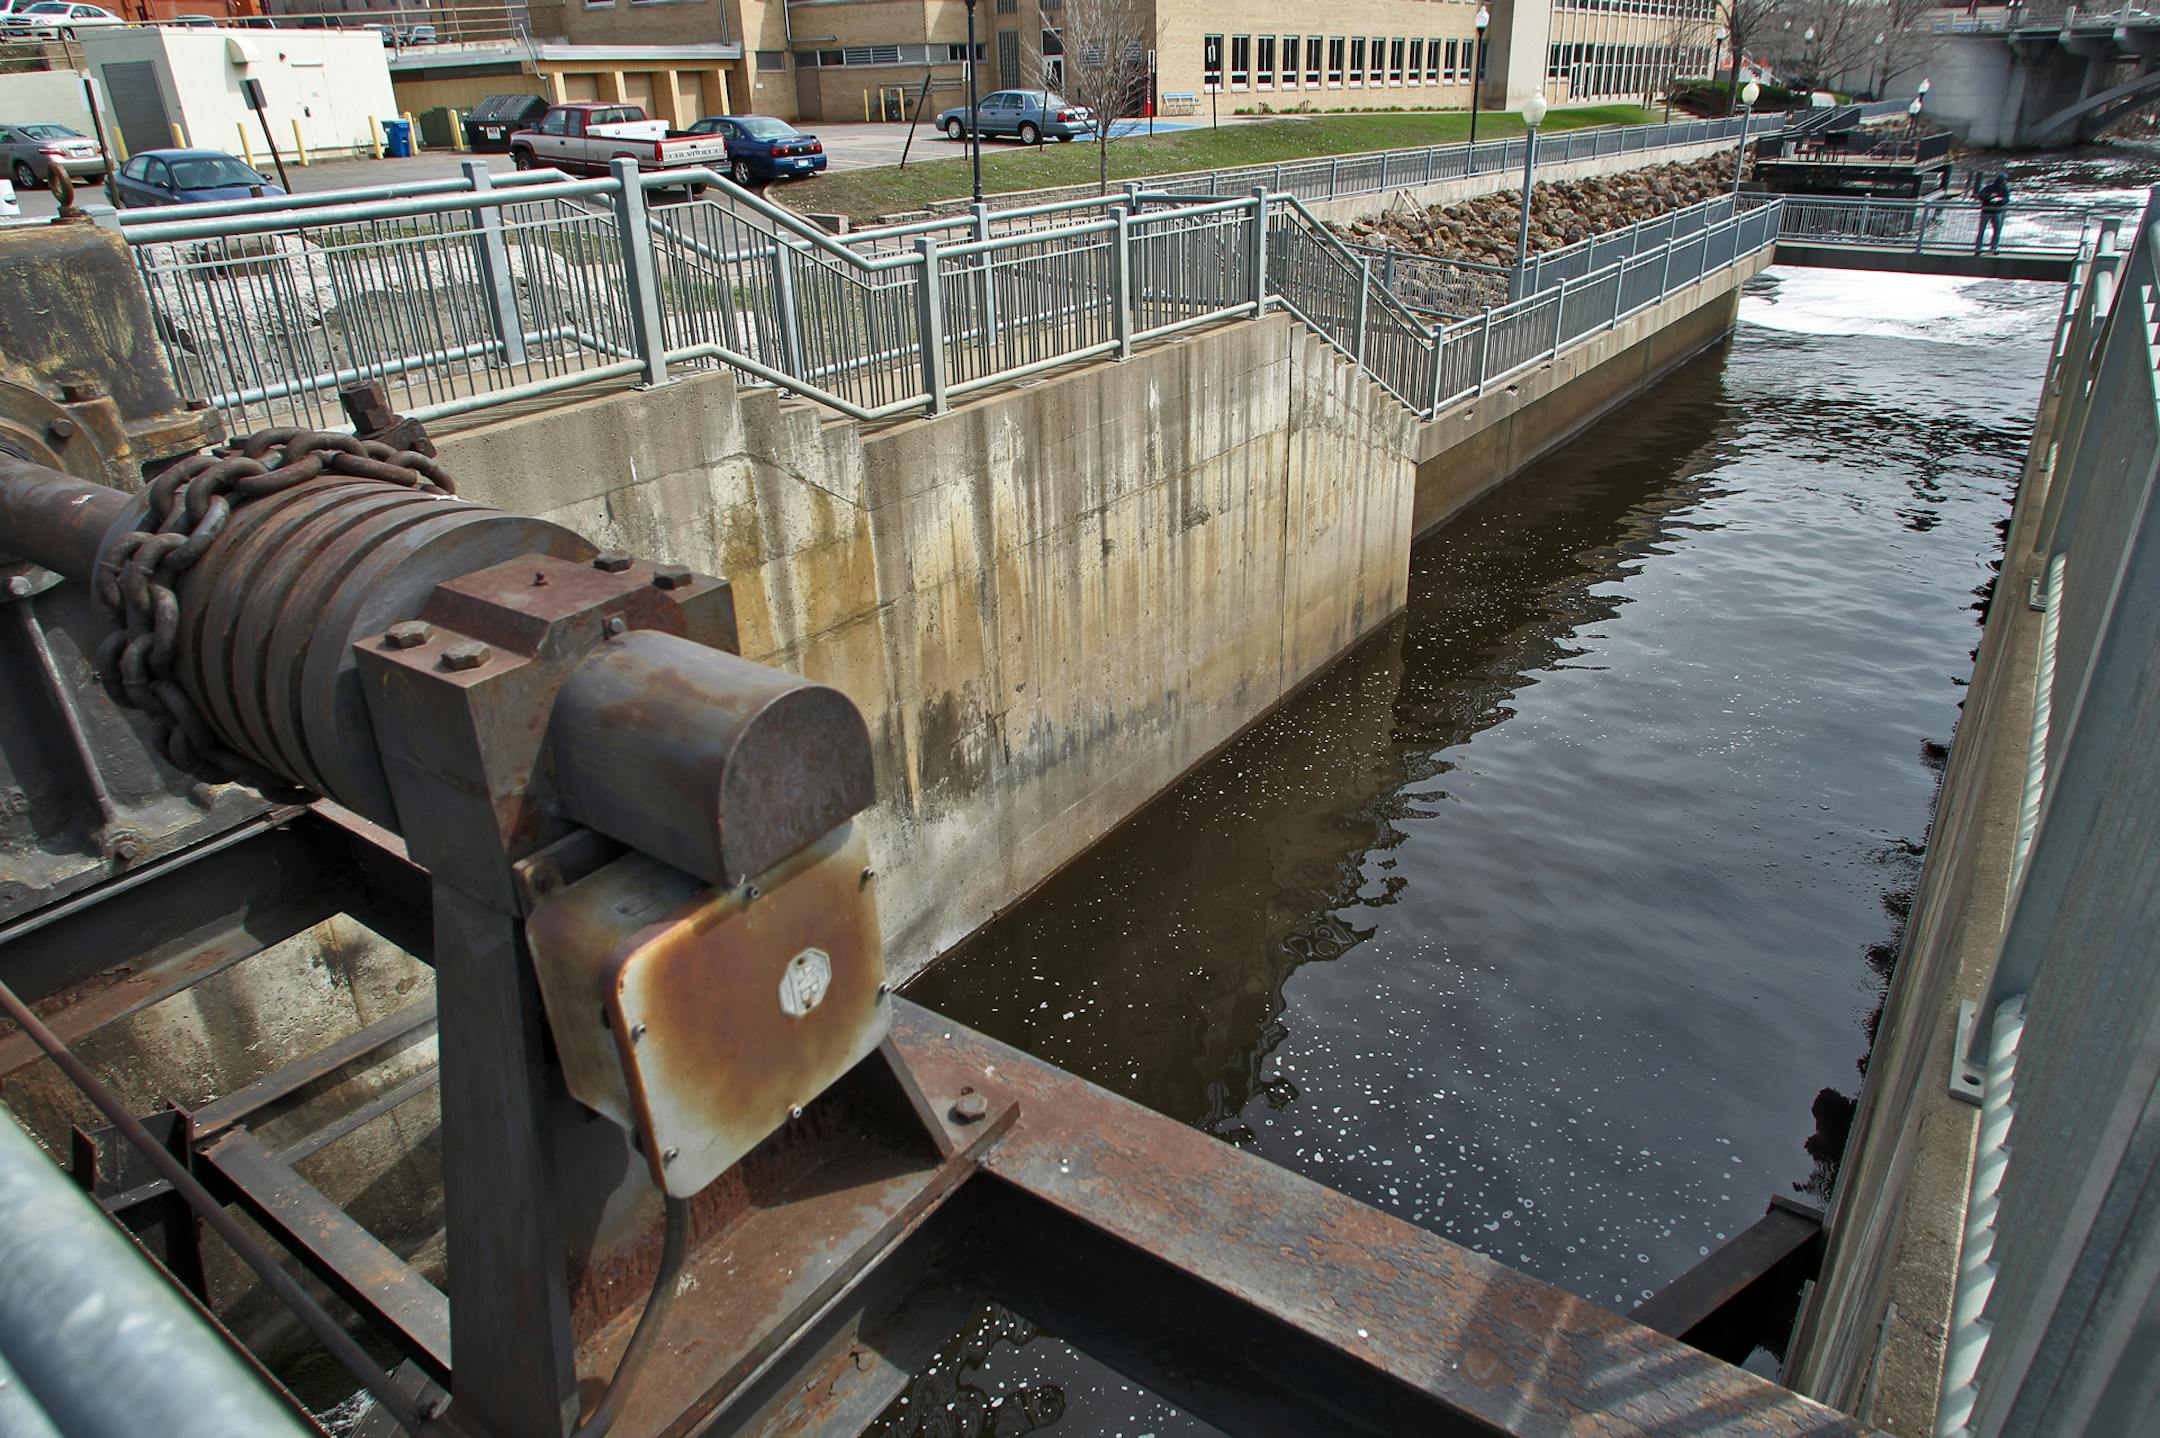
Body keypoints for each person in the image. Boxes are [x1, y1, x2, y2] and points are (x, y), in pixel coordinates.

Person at [1976, 173, 2011, 254]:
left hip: (1992, 211)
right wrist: (1991, 196)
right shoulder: (1991, 188)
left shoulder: (2004, 188)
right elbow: (1980, 196)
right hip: (1992, 212)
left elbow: (2007, 199)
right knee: (1993, 231)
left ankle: (1986, 248)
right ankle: (1988, 248)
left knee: (1989, 231)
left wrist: (2000, 200)